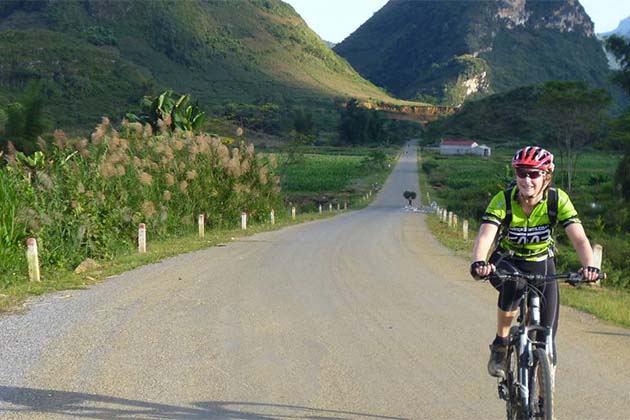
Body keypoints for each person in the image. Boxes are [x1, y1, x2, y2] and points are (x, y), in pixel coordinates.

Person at [470, 146, 600, 378]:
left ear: (546, 176)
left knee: (548, 335)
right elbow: (485, 235)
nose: (526, 180)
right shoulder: (504, 201)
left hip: (542, 264)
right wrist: (479, 262)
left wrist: (590, 266)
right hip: (507, 262)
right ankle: (500, 343)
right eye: (521, 173)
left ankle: (543, 397)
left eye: (534, 174)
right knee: (516, 284)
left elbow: (579, 239)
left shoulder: (557, 200)